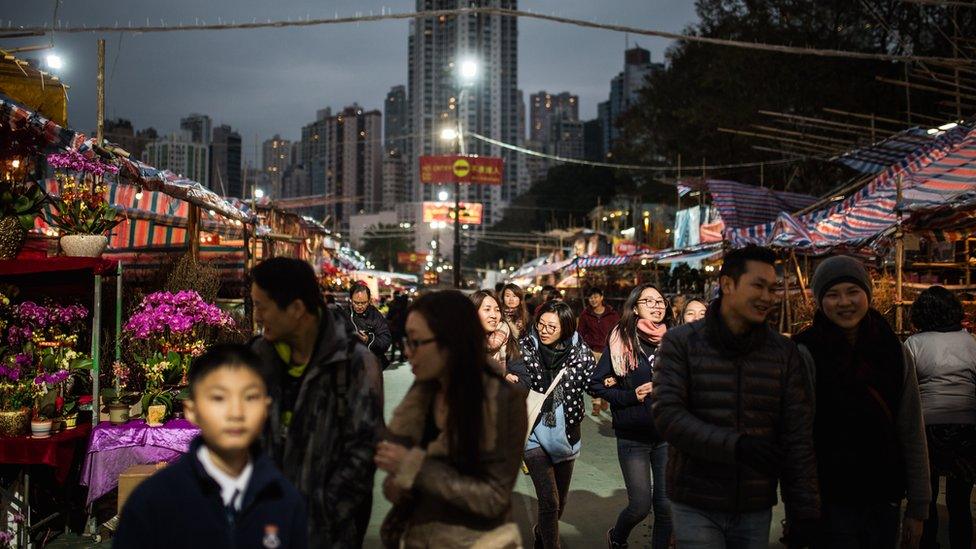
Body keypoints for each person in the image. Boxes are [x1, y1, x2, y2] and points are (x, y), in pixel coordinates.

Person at [653, 245, 819, 548]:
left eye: (772, 288)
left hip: (754, 503)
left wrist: (803, 512)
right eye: (758, 285)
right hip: (695, 499)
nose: (767, 297)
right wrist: (737, 446)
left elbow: (797, 436)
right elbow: (668, 416)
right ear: (727, 284)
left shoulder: (783, 352)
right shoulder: (681, 343)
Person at [794, 255, 929, 549]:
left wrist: (919, 505)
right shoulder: (805, 351)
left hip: (885, 496)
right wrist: (800, 507)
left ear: (866, 294)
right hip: (829, 500)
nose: (844, 302)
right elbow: (798, 435)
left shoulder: (893, 349)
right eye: (832, 294)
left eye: (852, 292)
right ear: (819, 300)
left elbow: (911, 428)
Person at [115, 345, 308, 549]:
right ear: (192, 410)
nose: (236, 413)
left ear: (267, 408)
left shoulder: (284, 499)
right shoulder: (153, 502)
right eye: (218, 398)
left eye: (250, 397)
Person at [375, 291, 528, 548]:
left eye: (416, 342)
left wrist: (415, 468)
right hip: (419, 537)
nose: (407, 352)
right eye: (405, 341)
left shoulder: (501, 400)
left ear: (450, 341)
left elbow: (493, 498)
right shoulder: (424, 392)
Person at [249, 258, 383, 548]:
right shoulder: (260, 356)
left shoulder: (354, 363)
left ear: (297, 309)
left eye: (262, 306)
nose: (257, 316)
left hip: (327, 533)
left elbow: (363, 453)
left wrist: (322, 513)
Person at [587, 283, 672, 549]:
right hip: (632, 436)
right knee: (640, 505)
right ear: (635, 307)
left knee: (666, 506)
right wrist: (630, 396)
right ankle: (617, 537)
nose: (657, 306)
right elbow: (596, 384)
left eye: (660, 302)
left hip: (666, 435)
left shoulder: (674, 340)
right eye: (649, 302)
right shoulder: (621, 340)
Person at [520, 300, 597, 549]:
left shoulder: (581, 353)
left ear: (565, 329)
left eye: (551, 327)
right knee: (550, 502)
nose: (543, 330)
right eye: (541, 324)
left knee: (560, 502)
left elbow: (594, 382)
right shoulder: (525, 348)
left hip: (567, 434)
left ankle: (542, 530)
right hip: (533, 432)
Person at [906, 286, 976, 549]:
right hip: (967, 429)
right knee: (960, 503)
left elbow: (907, 389)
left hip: (927, 429)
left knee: (927, 498)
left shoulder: (913, 344)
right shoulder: (970, 341)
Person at [577, 286, 621, 416]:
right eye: (590, 297)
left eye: (595, 297)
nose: (593, 300)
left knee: (608, 377)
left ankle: (604, 398)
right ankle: (596, 402)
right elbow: (580, 333)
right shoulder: (585, 314)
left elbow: (618, 331)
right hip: (592, 351)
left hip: (609, 351)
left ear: (601, 297)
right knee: (593, 377)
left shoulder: (612, 314)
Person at [471, 290, 525, 385]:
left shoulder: (508, 341)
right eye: (487, 309)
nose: (494, 315)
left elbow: (523, 380)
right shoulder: (461, 343)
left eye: (497, 310)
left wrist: (506, 376)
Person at [347, 283, 393, 369]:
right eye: (356, 303)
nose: (360, 306)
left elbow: (386, 340)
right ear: (350, 300)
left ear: (369, 301)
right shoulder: (344, 315)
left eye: (363, 303)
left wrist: (368, 339)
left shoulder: (375, 315)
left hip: (372, 365)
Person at [386, 292, 409, 364]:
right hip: (400, 327)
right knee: (400, 342)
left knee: (394, 342)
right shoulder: (404, 307)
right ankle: (402, 356)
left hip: (394, 327)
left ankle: (393, 357)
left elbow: (389, 316)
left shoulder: (393, 306)